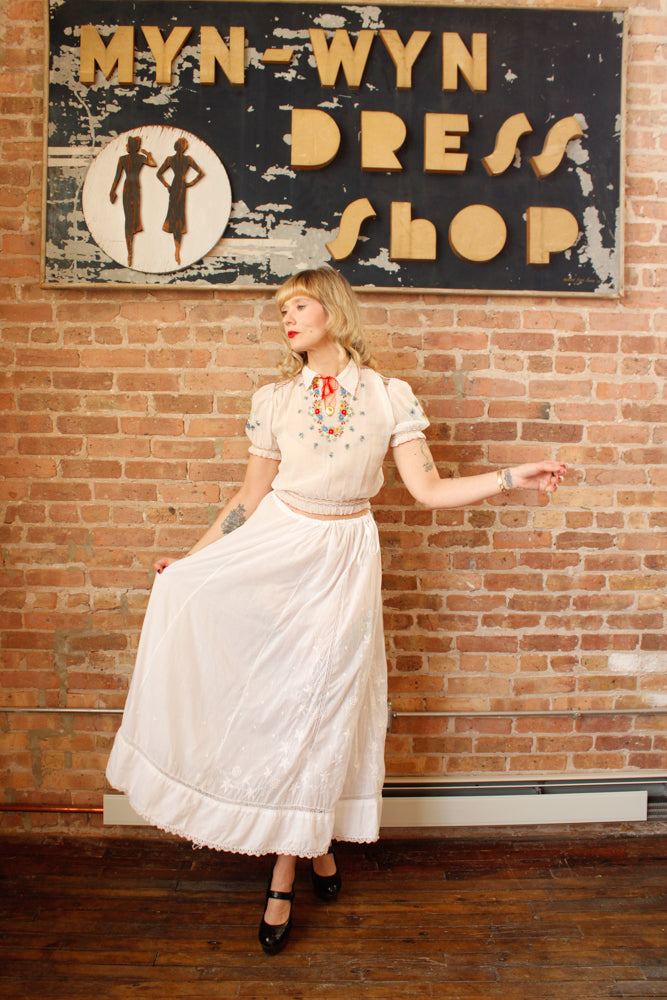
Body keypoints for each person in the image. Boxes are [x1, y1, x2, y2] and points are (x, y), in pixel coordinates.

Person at [106, 266, 567, 955]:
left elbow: (428, 490)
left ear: (332, 310)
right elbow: (247, 499)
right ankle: (310, 849)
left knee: (317, 707)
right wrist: (194, 560)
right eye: (282, 310)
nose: (286, 318)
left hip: (343, 556)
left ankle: (285, 872)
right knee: (272, 701)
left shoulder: (388, 395)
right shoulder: (275, 399)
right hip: (274, 551)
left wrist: (509, 476)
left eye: (298, 306)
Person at [109, 135, 157, 268]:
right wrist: (148, 154)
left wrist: (112, 191)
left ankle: (130, 249)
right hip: (134, 188)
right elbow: (152, 163)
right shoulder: (137, 158)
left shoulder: (124, 159)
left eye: (127, 144)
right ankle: (129, 251)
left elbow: (117, 177)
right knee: (130, 219)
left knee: (130, 219)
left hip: (129, 189)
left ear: (130, 146)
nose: (126, 147)